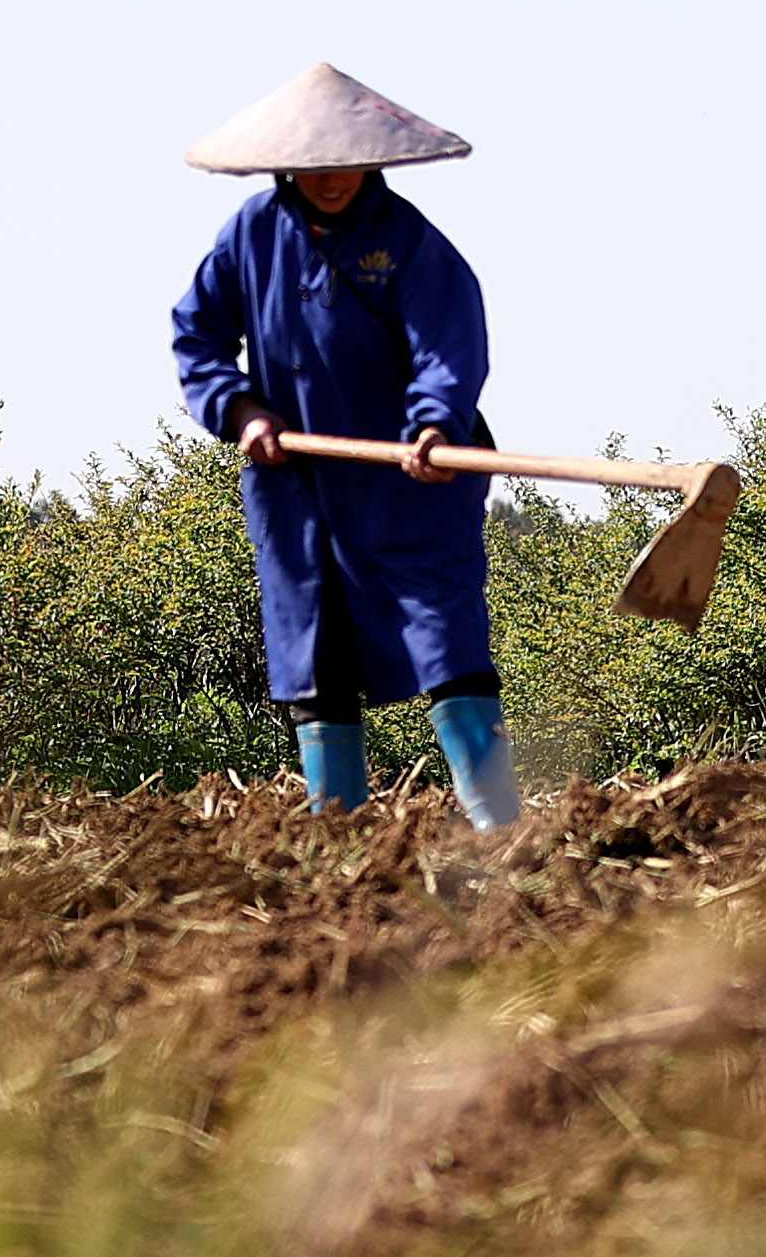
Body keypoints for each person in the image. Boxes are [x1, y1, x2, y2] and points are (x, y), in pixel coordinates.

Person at [168, 62, 520, 827]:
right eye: (316, 167)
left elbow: (449, 351)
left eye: (347, 165)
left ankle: (498, 827)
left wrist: (432, 425)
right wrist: (241, 411)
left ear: (373, 160)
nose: (332, 181)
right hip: (297, 486)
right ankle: (341, 840)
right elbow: (197, 336)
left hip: (412, 480)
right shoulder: (251, 234)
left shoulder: (409, 244)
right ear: (288, 164)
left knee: (446, 636)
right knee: (313, 652)